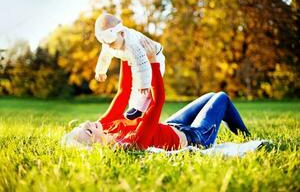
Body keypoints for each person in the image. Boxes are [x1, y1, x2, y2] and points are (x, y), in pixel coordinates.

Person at [62, 58, 250, 151]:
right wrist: (151, 62)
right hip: (196, 138)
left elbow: (123, 92)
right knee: (222, 98)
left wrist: (126, 55)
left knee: (209, 95)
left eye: (81, 125)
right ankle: (247, 137)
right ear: (97, 146)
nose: (87, 123)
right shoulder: (132, 144)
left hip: (171, 127)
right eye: (87, 131)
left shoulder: (105, 127)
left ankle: (239, 131)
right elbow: (157, 100)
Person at [94, 13, 166, 120]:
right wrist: (100, 71)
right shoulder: (109, 44)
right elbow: (104, 57)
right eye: (106, 43)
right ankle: (135, 107)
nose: (110, 46)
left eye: (112, 43)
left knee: (144, 86)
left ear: (122, 33)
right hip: (132, 59)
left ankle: (139, 109)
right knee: (133, 86)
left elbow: (143, 66)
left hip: (153, 56)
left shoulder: (132, 45)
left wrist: (144, 84)